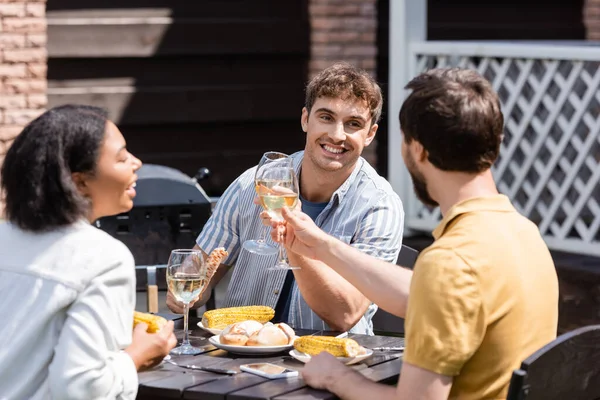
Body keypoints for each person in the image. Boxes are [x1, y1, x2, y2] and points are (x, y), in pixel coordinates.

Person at [271, 68, 559, 399]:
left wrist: (336, 378)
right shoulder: (523, 233)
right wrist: (320, 245)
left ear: (417, 149)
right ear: (494, 144)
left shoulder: (450, 263)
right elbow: (428, 295)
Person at [167, 62, 404, 334]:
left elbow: (346, 314)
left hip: (330, 365)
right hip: (239, 356)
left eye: (353, 124)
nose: (337, 135)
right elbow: (199, 276)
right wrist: (187, 291)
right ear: (305, 119)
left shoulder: (379, 206)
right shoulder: (250, 185)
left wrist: (293, 239)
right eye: (326, 117)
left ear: (370, 134)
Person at [0, 105, 177, 400]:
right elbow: (82, 387)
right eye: (121, 158)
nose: (137, 162)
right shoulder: (103, 258)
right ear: (80, 182)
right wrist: (136, 357)